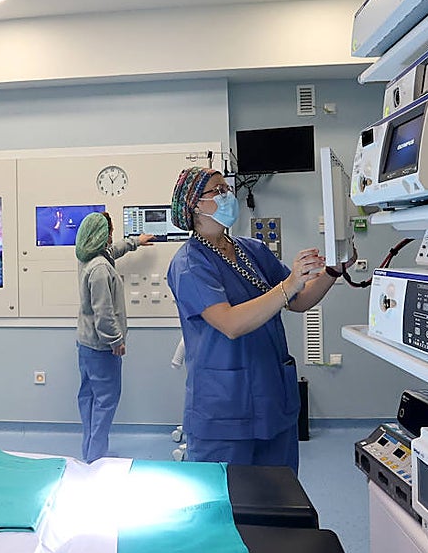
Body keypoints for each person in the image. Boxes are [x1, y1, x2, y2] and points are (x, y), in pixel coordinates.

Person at [166, 166, 347, 471]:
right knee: (228, 496)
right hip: (224, 410)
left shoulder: (252, 250)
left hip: (272, 399)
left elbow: (299, 301)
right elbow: (230, 323)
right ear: (195, 205)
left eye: (227, 189)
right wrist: (290, 284)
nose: (227, 196)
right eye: (217, 191)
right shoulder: (189, 263)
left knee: (280, 494)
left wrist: (333, 270)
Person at [74, 211, 153, 462]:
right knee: (105, 402)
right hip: (101, 347)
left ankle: (90, 452)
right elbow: (104, 312)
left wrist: (135, 242)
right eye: (109, 232)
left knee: (89, 398)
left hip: (86, 344)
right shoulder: (99, 269)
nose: (111, 237)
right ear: (102, 234)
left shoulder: (88, 257)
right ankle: (96, 458)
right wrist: (116, 340)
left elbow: (113, 251)